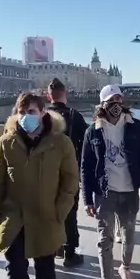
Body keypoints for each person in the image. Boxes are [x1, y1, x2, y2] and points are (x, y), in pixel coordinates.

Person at [0, 93, 78, 279]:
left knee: (45, 269)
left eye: (31, 112)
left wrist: (59, 211)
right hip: (13, 217)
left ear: (43, 113)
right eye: (22, 112)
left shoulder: (61, 143)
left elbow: (70, 181)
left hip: (46, 216)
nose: (26, 117)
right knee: (15, 267)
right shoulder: (7, 142)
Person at [81, 84, 140, 279]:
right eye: (112, 101)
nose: (116, 105)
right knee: (105, 241)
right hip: (105, 192)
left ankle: (126, 267)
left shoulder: (134, 127)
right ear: (102, 105)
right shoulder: (93, 131)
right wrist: (87, 199)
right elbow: (86, 166)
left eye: (119, 100)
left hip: (130, 190)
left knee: (129, 234)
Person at [46, 78, 88, 267]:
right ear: (65, 95)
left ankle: (55, 247)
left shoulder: (43, 116)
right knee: (69, 211)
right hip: (69, 172)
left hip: (46, 173)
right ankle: (70, 252)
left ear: (49, 96)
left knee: (49, 210)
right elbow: (86, 142)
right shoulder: (74, 116)